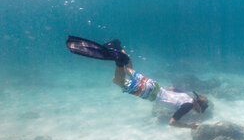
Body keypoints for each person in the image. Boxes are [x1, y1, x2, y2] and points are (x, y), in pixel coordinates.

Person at [66, 36, 208, 129]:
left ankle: (117, 46)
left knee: (128, 69)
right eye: (198, 110)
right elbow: (172, 122)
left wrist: (163, 94)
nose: (195, 111)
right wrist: (190, 126)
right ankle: (118, 61)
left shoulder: (187, 96)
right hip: (149, 93)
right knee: (117, 81)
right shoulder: (188, 106)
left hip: (154, 85)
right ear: (197, 106)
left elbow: (171, 87)